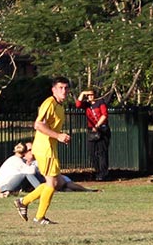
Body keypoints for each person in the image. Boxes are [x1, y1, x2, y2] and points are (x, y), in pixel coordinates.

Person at [14, 76, 71, 225]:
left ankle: (23, 201)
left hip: (50, 148)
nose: (63, 91)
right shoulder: (49, 103)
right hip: (45, 148)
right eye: (60, 88)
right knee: (51, 183)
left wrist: (60, 137)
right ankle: (39, 217)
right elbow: (38, 125)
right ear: (53, 90)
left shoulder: (60, 105)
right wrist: (58, 136)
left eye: (66, 88)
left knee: (56, 183)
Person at [76, 88, 111, 181]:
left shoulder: (100, 102)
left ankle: (104, 174)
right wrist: (83, 92)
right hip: (92, 130)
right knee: (92, 152)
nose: (90, 96)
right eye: (88, 95)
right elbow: (78, 104)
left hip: (102, 129)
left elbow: (104, 115)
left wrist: (97, 125)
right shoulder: (86, 105)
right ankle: (97, 172)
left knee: (102, 152)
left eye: (92, 94)